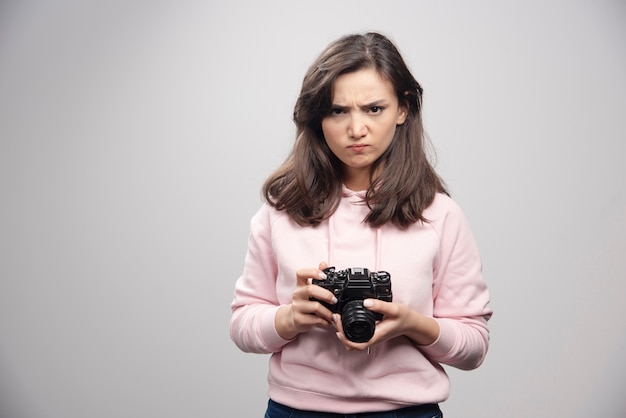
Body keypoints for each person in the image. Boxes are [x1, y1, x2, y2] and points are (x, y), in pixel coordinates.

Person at [229, 31, 492, 418]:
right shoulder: (281, 211)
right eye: (338, 111)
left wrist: (413, 324)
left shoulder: (439, 214)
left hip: (408, 410)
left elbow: (474, 346)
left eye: (374, 109)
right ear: (318, 116)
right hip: (297, 410)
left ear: (402, 109)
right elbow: (242, 324)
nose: (356, 129)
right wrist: (290, 317)